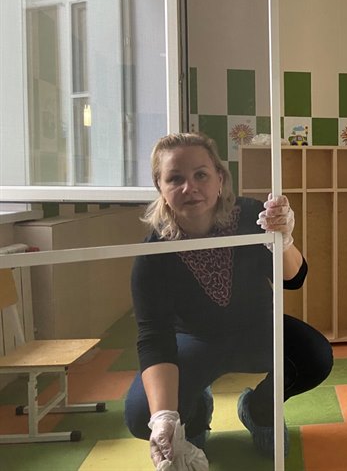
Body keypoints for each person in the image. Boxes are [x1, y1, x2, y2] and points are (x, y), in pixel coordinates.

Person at [124, 132, 333, 467]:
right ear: (159, 186)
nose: (190, 187)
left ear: (220, 178)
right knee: (141, 416)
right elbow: (153, 339)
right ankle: (195, 415)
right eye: (175, 178)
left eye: (201, 175)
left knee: (315, 357)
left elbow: (294, 279)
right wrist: (165, 418)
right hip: (195, 341)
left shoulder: (251, 216)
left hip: (257, 330)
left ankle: (260, 410)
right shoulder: (153, 254)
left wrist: (284, 241)